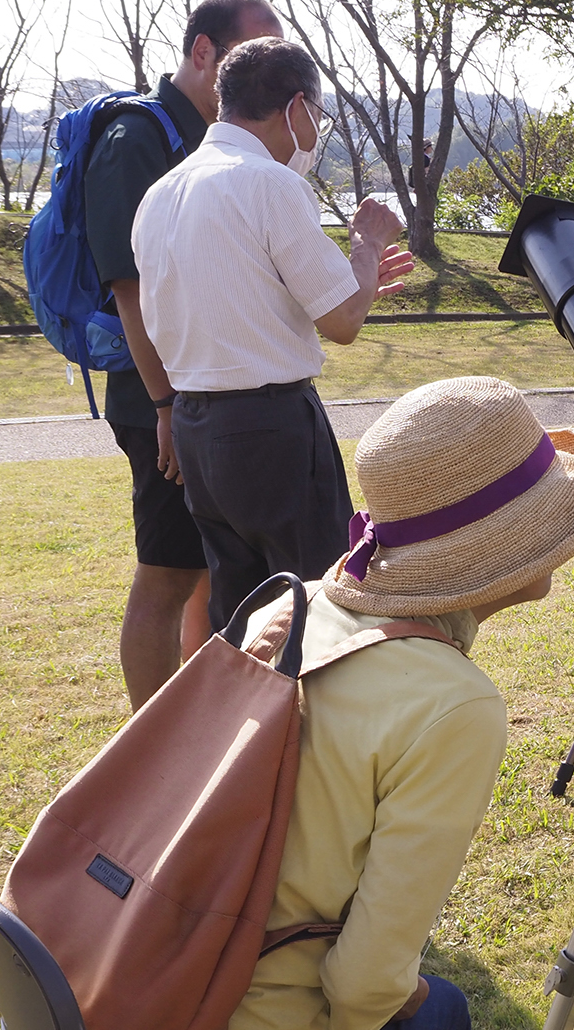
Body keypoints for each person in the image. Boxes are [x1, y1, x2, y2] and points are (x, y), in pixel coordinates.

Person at [0, 377, 574, 1030]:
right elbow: (364, 987)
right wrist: (396, 996)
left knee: (373, 1026)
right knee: (442, 1018)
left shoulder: (282, 610)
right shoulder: (452, 703)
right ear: (503, 551)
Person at [132, 37, 416, 633]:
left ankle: (247, 724)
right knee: (317, 607)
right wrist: (367, 243)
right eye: (317, 113)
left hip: (197, 425)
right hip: (271, 427)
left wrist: (354, 279)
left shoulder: (162, 193)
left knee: (241, 617)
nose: (317, 129)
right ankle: (315, 727)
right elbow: (342, 323)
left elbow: (247, 294)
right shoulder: (269, 183)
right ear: (296, 108)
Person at [86, 0, 284, 710]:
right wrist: (165, 404)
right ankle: (149, 753)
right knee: (166, 575)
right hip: (160, 395)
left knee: (209, 572)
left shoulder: (211, 142)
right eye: (246, 50)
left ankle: (199, 730)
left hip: (206, 396)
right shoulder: (136, 138)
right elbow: (129, 289)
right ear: (203, 52)